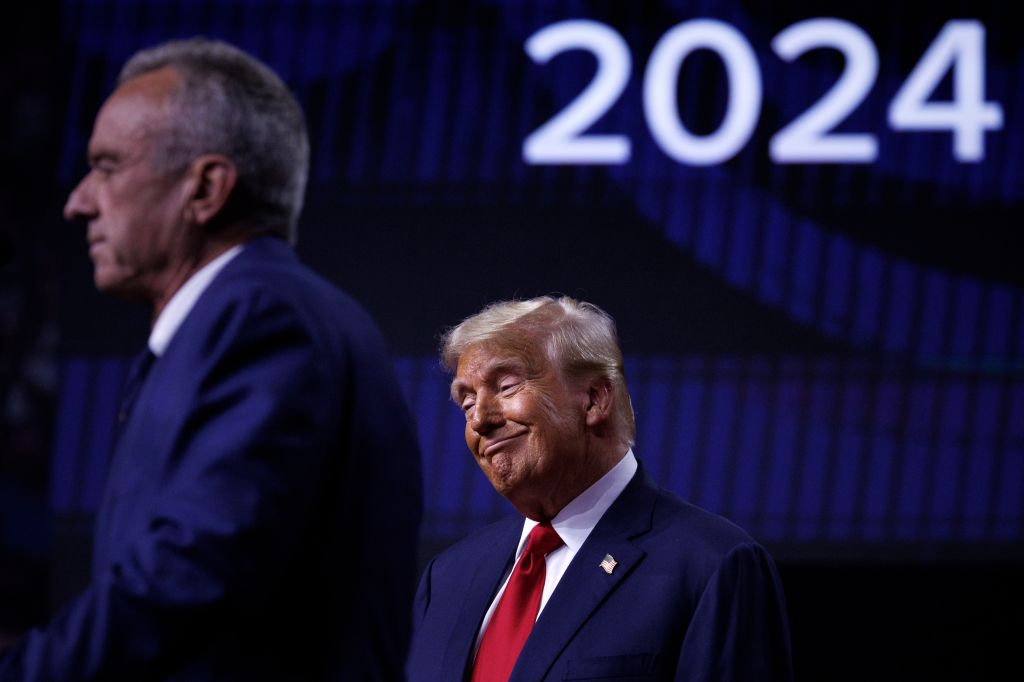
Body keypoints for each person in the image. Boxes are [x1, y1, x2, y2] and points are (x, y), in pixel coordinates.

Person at [0, 38, 422, 680]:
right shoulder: (258, 316)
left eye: (108, 167)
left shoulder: (261, 319)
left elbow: (189, 574)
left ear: (204, 188)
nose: (79, 201)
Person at [406, 296, 792, 681]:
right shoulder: (447, 578)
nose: (481, 420)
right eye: (467, 402)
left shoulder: (711, 566)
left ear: (593, 399)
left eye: (506, 386)